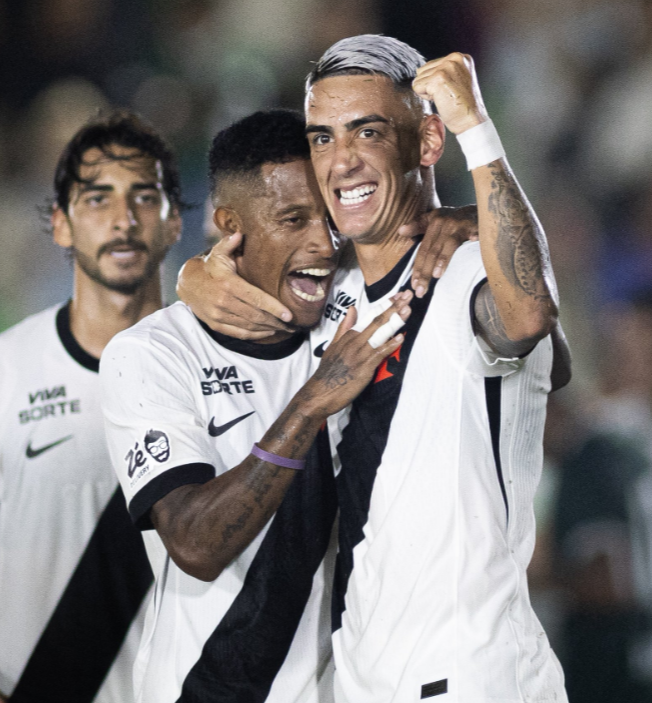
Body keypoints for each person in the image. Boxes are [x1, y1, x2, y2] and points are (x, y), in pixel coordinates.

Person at [181, 37, 572, 703]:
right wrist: (193, 277)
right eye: (323, 138)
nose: (342, 161)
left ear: (427, 141)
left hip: (470, 677)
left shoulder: (469, 272)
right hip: (364, 680)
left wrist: (476, 130)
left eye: (368, 132)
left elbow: (531, 316)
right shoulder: (330, 293)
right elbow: (224, 281)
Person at [100, 109, 413, 703]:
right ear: (230, 227)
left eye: (329, 217)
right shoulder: (151, 354)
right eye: (293, 219)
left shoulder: (352, 313)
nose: (323, 243)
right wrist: (311, 403)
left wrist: (458, 220)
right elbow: (196, 544)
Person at [0, 111, 183, 703]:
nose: (123, 220)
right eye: (98, 199)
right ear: (60, 224)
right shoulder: (8, 370)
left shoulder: (213, 371)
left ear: (175, 221)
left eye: (144, 197)